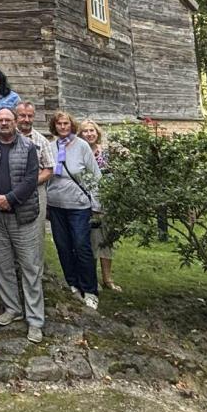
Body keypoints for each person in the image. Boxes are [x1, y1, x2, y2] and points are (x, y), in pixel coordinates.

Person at [0, 106, 47, 342]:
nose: (4, 123)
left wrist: (10, 199)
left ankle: (35, 320)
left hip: (22, 215)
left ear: (15, 121)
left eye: (8, 119)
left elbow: (30, 179)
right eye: (0, 120)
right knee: (3, 265)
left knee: (30, 267)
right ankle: (12, 308)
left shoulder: (28, 147)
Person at [47, 110, 103, 310]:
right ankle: (72, 284)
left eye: (66, 123)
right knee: (63, 246)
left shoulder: (82, 147)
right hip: (56, 204)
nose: (63, 127)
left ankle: (90, 289)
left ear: (71, 125)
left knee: (81, 246)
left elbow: (95, 175)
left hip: (79, 205)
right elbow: (46, 174)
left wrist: (96, 205)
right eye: (59, 124)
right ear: (54, 126)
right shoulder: (50, 147)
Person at [79, 118, 120, 292]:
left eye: (92, 131)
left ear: (97, 133)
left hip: (106, 200)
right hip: (87, 202)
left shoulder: (107, 152)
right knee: (91, 241)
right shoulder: (79, 153)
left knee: (107, 240)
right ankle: (91, 278)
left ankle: (107, 278)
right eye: (85, 131)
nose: (89, 134)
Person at [15, 101, 57, 242]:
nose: (26, 120)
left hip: (36, 190)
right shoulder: (7, 136)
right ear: (16, 116)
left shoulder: (42, 141)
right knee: (13, 229)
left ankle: (36, 263)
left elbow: (49, 169)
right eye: (22, 116)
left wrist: (30, 183)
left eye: (30, 116)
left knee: (36, 232)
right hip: (10, 189)